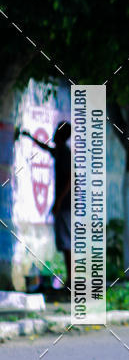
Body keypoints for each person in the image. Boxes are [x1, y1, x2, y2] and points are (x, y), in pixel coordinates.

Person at [20, 122, 72, 293]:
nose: (54, 134)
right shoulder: (60, 151)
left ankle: (71, 280)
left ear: (61, 135)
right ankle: (70, 279)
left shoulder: (64, 153)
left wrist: (58, 202)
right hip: (64, 205)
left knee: (66, 243)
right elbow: (46, 148)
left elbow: (70, 180)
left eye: (57, 132)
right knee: (65, 243)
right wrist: (29, 136)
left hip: (65, 206)